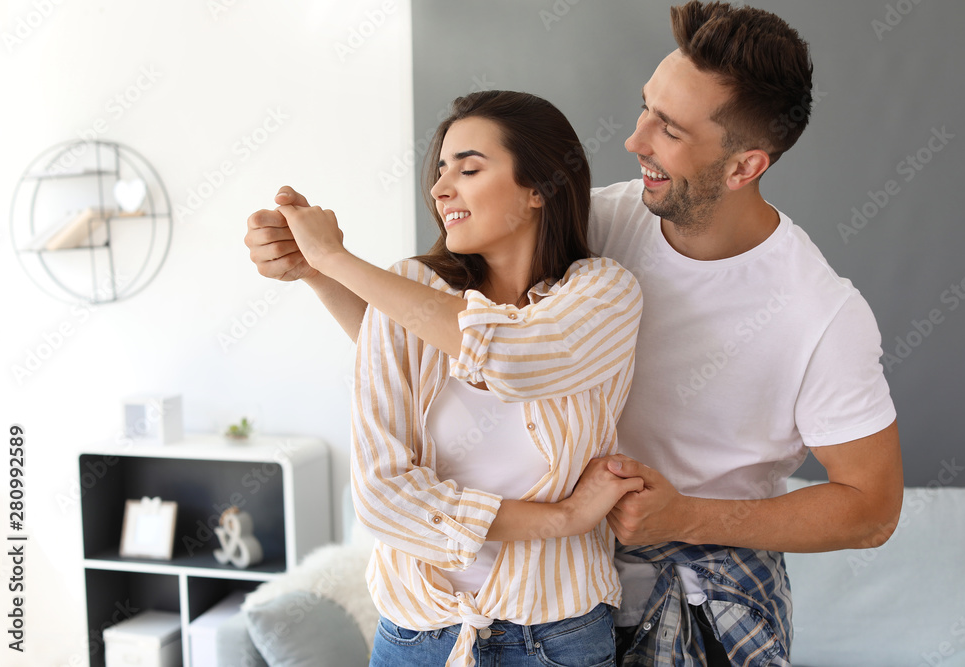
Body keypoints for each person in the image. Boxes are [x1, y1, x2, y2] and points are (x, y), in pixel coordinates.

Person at [245, 3, 903, 664]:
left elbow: (871, 509)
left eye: (668, 129)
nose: (635, 139)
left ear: (743, 167)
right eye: (645, 106)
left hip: (701, 594)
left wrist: (685, 515)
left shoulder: (818, 313)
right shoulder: (600, 223)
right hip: (561, 582)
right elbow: (443, 355)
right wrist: (319, 274)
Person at [271, 90, 644, 666]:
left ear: (540, 188)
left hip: (558, 636)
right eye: (440, 171)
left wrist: (337, 261)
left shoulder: (604, 294)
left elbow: (517, 360)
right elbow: (381, 496)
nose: (441, 189)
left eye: (468, 168)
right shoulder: (402, 290)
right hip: (415, 637)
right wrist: (562, 519)